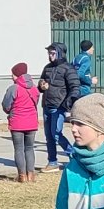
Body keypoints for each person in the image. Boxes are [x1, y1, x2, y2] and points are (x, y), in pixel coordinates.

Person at [2, 62, 41, 183]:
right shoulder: (34, 88)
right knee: (29, 149)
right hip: (32, 123)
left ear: (16, 75)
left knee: (19, 149)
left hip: (17, 123)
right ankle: (31, 175)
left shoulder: (14, 88)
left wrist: (10, 111)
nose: (11, 77)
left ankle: (22, 176)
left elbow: (6, 106)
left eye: (12, 74)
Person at [39, 43, 74, 172]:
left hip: (59, 106)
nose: (50, 56)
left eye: (52, 53)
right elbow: (41, 82)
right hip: (47, 105)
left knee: (56, 134)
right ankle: (52, 162)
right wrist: (41, 85)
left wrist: (67, 104)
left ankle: (74, 155)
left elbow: (74, 87)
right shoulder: (47, 68)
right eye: (49, 53)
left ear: (59, 53)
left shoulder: (68, 68)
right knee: (49, 136)